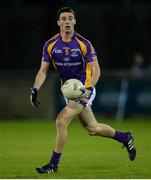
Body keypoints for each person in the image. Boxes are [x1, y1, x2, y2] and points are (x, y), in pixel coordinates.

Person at [30, 7, 136, 174]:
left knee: (60, 121)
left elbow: (96, 69)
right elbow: (43, 70)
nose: (67, 22)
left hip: (83, 89)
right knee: (92, 129)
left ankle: (53, 165)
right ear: (58, 22)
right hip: (70, 92)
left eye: (70, 18)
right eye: (63, 19)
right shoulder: (50, 45)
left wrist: (89, 88)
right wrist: (35, 88)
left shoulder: (83, 43)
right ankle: (125, 137)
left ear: (74, 21)